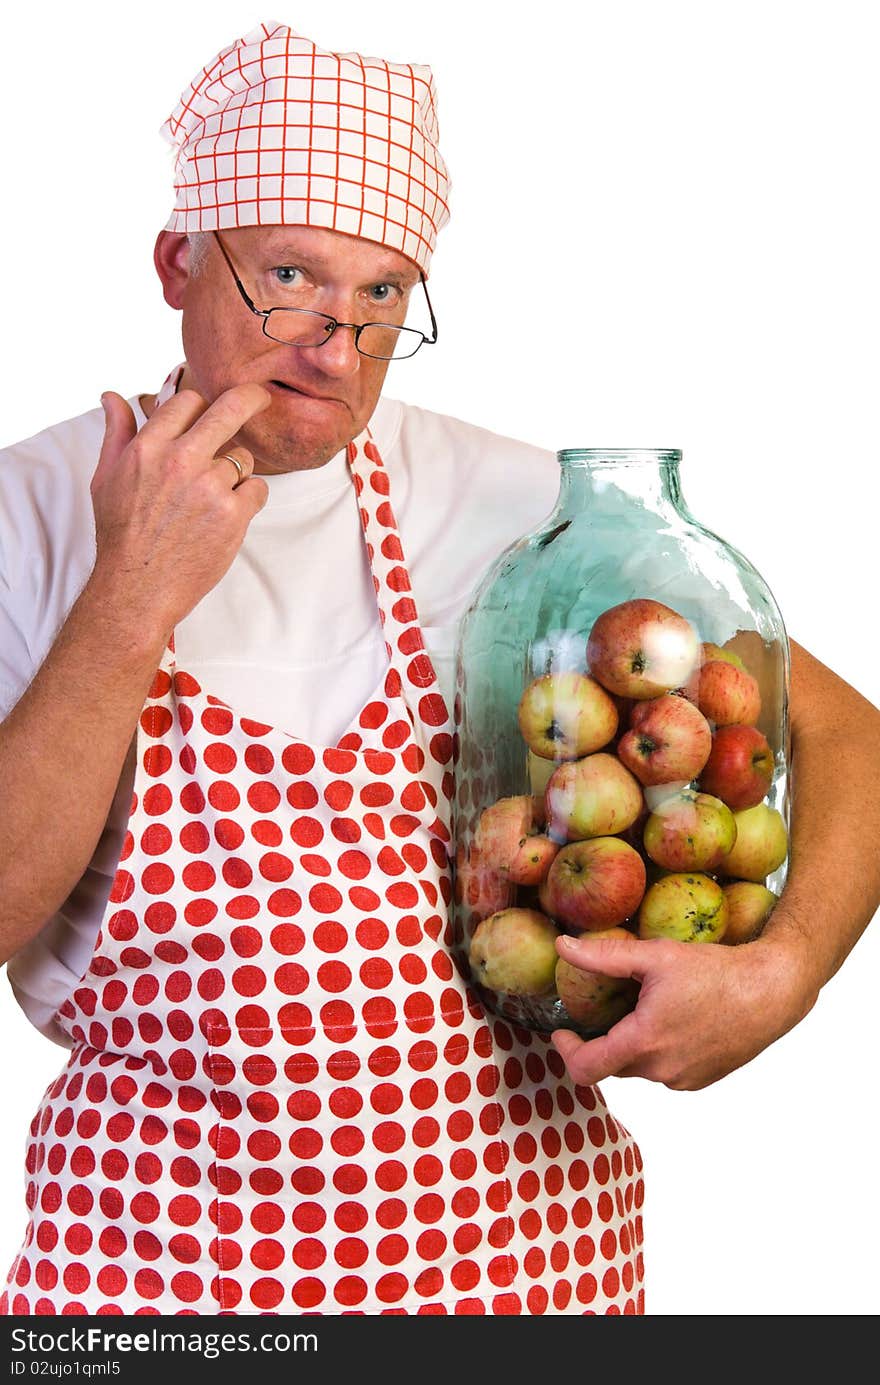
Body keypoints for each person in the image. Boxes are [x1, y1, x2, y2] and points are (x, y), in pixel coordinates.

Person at [0, 19, 877, 1318]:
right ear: (178, 260)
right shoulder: (32, 517)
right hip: (172, 1285)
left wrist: (786, 968)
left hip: (529, 1278)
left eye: (382, 295)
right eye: (290, 277)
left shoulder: (524, 510)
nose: (335, 349)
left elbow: (846, 733)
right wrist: (130, 602)